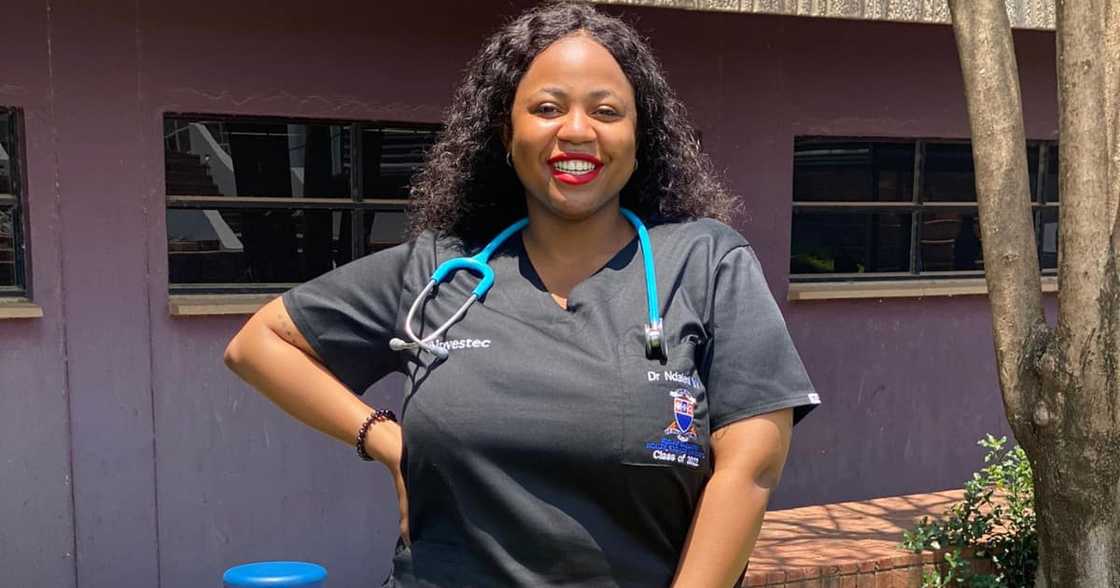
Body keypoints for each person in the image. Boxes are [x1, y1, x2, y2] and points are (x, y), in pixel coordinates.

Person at [224, 3, 820, 586]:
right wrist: (383, 439)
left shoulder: (707, 262)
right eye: (547, 107)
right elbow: (259, 344)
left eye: (607, 111)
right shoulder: (442, 270)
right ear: (507, 134)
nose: (577, 131)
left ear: (641, 137)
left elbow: (751, 468)